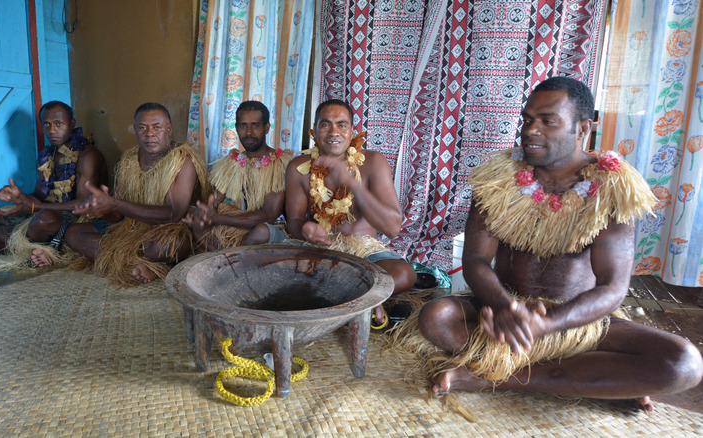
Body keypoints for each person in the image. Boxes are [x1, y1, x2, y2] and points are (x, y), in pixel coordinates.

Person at [393, 77, 702, 412]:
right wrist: (505, 308)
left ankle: (489, 378)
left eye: (547, 121)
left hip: (577, 321)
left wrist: (548, 325)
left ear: (583, 129)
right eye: (528, 120)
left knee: (684, 363)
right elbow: (476, 260)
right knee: (437, 316)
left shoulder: (613, 190)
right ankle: (593, 380)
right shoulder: (498, 179)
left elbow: (613, 287)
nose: (530, 130)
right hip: (505, 312)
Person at [285, 99, 417, 326]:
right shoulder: (299, 167)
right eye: (325, 125)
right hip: (320, 250)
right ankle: (366, 295)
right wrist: (304, 229)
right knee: (277, 268)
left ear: (352, 131)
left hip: (366, 253)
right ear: (314, 131)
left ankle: (348, 293)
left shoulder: (373, 162)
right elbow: (294, 222)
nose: (333, 132)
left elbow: (393, 228)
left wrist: (352, 183)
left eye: (341, 124)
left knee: (405, 274)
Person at [64, 102, 210, 286]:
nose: (149, 133)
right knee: (73, 234)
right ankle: (140, 264)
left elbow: (174, 215)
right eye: (142, 128)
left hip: (169, 230)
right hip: (131, 229)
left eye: (157, 127)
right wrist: (102, 210)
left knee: (172, 244)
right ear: (135, 130)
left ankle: (127, 261)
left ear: (169, 129)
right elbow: (117, 216)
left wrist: (115, 204)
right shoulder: (128, 160)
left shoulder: (183, 160)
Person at [0, 101, 107, 268]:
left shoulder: (88, 155)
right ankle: (29, 250)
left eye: (58, 124)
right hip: (41, 216)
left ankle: (10, 245)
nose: (52, 131)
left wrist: (35, 207)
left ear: (72, 124)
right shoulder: (47, 156)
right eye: (47, 125)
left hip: (72, 221)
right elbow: (39, 197)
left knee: (46, 218)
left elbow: (83, 204)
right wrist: (19, 198)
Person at [184, 101, 293, 249]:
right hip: (242, 228)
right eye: (243, 125)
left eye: (255, 125)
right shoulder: (233, 163)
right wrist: (204, 212)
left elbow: (269, 215)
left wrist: (219, 219)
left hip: (274, 231)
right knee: (193, 216)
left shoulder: (278, 164)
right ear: (236, 128)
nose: (248, 132)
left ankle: (226, 258)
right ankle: (226, 257)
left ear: (266, 128)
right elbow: (213, 200)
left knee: (261, 232)